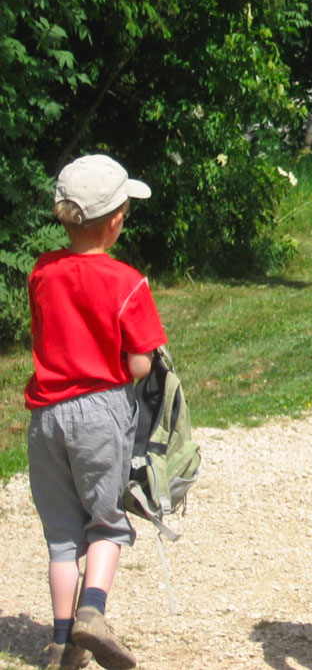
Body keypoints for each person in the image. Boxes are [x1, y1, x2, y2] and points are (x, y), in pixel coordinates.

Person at [25, 155, 165, 670]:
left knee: (62, 536)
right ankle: (93, 612)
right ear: (116, 220)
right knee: (107, 524)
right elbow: (136, 364)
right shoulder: (128, 282)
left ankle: (61, 644)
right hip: (99, 412)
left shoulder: (42, 271)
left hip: (45, 416)